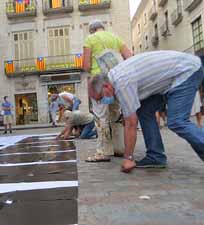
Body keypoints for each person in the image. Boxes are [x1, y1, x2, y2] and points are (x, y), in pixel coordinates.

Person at [96, 50, 204, 173]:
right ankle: (155, 157)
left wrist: (128, 158)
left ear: (106, 87)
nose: (102, 102)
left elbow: (131, 123)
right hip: (172, 75)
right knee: (144, 111)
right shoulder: (115, 78)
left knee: (177, 121)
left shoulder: (122, 83)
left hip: (187, 70)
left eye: (100, 98)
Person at [83, 20, 132, 162]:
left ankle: (103, 152)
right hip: (117, 79)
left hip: (100, 82)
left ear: (92, 30)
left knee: (100, 116)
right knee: (115, 114)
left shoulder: (90, 39)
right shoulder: (115, 38)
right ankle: (119, 148)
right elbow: (129, 56)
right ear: (102, 28)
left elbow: (86, 65)